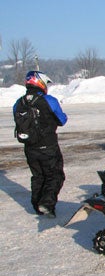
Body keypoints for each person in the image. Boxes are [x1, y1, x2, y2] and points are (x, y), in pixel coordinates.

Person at [13, 71, 68, 217]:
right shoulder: (49, 100)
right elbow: (62, 120)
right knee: (55, 175)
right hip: (48, 146)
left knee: (38, 176)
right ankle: (47, 204)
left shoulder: (19, 102)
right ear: (40, 83)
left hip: (30, 147)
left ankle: (37, 206)